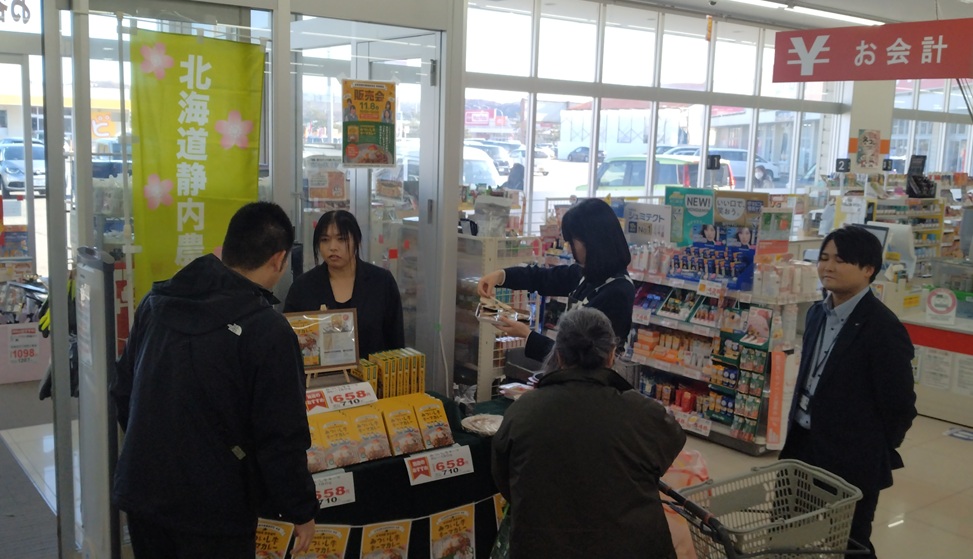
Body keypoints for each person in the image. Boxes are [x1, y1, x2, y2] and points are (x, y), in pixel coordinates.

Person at [111, 202, 318, 558]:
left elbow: (123, 390)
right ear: (278, 260)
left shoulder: (157, 303)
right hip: (215, 509)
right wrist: (300, 509)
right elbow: (281, 435)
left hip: (143, 492)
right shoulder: (268, 330)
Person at [492, 307, 686, 559]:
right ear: (612, 355)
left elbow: (505, 479)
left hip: (542, 547)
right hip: (630, 547)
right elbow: (670, 445)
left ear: (559, 355)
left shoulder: (523, 411)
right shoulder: (643, 413)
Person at [779, 224, 916, 559]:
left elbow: (900, 404)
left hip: (852, 457)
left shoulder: (883, 328)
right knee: (784, 531)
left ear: (868, 269)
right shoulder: (816, 313)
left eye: (840, 260)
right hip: (802, 444)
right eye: (824, 258)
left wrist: (875, 445)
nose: (828, 266)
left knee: (850, 543)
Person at [477, 198, 634, 362]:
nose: (570, 249)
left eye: (572, 242)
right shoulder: (588, 273)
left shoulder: (617, 293)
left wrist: (527, 335)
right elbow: (542, 277)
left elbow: (580, 358)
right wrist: (501, 276)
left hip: (588, 377)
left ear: (592, 242)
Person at [285, 210, 404, 358]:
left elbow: (396, 341)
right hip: (320, 373)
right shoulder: (302, 287)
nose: (332, 247)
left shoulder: (382, 282)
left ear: (357, 241)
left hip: (373, 371)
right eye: (325, 240)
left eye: (341, 239)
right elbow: (289, 344)